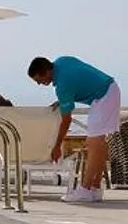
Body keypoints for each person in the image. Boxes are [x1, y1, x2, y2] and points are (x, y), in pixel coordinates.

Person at [28, 54, 121, 203]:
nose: (40, 84)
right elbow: (79, 78)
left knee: (93, 143)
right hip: (110, 89)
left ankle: (85, 190)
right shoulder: (62, 61)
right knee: (100, 144)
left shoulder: (62, 86)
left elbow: (67, 120)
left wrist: (57, 146)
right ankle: (95, 189)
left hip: (103, 97)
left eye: (39, 80)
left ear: (46, 71)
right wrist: (64, 100)